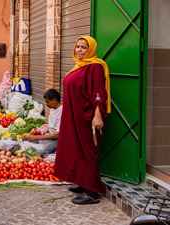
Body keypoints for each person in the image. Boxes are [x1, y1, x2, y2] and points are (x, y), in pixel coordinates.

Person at [54, 36, 111, 205]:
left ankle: (92, 192)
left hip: (86, 118)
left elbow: (99, 93)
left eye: (84, 47)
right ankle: (83, 183)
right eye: (77, 46)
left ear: (91, 49)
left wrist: (98, 115)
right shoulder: (79, 66)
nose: (79, 50)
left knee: (87, 151)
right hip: (73, 117)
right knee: (76, 150)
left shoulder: (95, 67)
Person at [23, 89, 62, 154]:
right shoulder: (53, 109)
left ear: (54, 100)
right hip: (50, 137)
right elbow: (50, 126)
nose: (46, 104)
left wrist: (35, 137)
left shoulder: (62, 111)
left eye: (48, 102)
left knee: (41, 149)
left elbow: (57, 135)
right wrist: (39, 130)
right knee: (28, 141)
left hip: (57, 141)